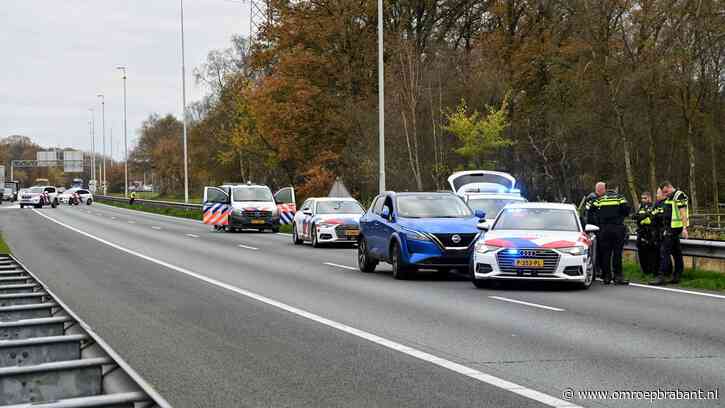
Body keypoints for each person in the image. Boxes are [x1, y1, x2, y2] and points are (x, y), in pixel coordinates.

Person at [591, 183, 631, 285]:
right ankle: (618, 276)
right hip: (617, 228)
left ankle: (606, 277)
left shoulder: (599, 199)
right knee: (617, 253)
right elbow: (626, 211)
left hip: (604, 229)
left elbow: (591, 211)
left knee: (605, 254)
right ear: (615, 189)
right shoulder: (619, 198)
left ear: (606, 189)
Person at [650, 181, 689, 286]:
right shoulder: (670, 196)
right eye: (663, 193)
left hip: (674, 228)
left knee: (664, 252)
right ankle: (677, 276)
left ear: (669, 187)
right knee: (676, 252)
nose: (665, 194)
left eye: (666, 191)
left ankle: (662, 276)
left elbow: (683, 213)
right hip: (670, 227)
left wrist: (684, 228)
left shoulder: (678, 195)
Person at [633, 192, 659, 275]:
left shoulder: (653, 206)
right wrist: (644, 216)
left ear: (649, 198)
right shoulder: (641, 207)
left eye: (645, 198)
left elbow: (652, 218)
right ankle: (645, 272)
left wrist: (643, 216)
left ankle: (653, 271)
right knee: (642, 253)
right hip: (641, 232)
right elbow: (635, 216)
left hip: (650, 232)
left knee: (652, 254)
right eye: (642, 198)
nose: (643, 200)